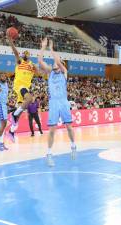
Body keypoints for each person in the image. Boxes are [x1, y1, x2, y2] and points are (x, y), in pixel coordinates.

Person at [38, 38, 76, 167]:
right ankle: (49, 154)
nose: (55, 63)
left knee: (69, 127)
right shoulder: (50, 73)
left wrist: (51, 49)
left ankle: (73, 146)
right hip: (54, 103)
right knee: (52, 130)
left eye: (57, 62)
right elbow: (40, 61)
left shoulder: (64, 72)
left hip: (64, 102)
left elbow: (58, 61)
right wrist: (43, 47)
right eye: (54, 62)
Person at [7, 33, 38, 141]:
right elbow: (15, 52)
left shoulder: (32, 66)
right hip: (19, 86)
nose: (25, 54)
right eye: (24, 53)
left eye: (27, 53)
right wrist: (11, 41)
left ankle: (11, 132)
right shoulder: (20, 62)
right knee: (29, 99)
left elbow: (39, 71)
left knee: (20, 112)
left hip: (25, 87)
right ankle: (14, 115)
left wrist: (35, 66)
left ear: (29, 56)